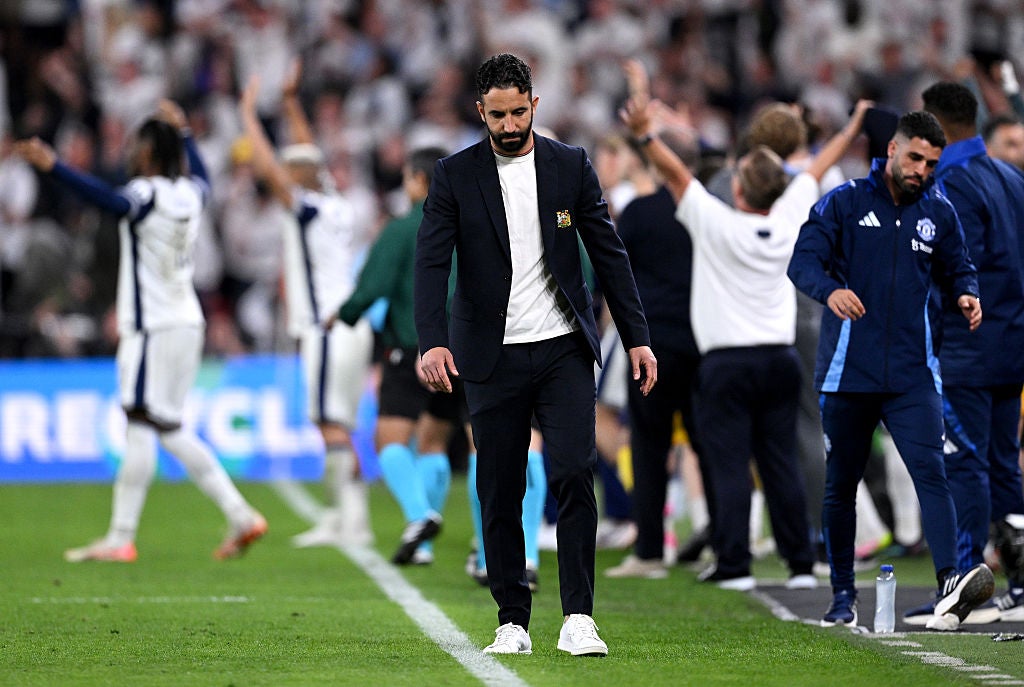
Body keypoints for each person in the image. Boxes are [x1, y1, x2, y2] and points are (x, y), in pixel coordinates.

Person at [415, 53, 657, 657]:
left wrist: (637, 336)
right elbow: (431, 263)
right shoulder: (453, 175)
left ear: (535, 105)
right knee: (500, 487)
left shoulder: (570, 166)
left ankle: (579, 617)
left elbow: (608, 253)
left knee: (575, 472)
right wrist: (432, 341)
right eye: (497, 115)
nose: (508, 125)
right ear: (481, 111)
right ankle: (512, 620)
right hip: (488, 355)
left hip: (562, 349)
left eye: (518, 112)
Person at [619, 82, 873, 594]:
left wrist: (646, 136)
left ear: (738, 190)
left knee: (730, 463)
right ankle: (800, 563)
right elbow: (818, 167)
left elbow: (677, 174)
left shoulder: (715, 222)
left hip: (727, 364)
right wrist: (851, 129)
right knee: (780, 462)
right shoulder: (789, 217)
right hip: (780, 360)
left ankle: (735, 564)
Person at [15, 101, 267, 562]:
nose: (131, 151)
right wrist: (185, 132)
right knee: (167, 426)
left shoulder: (145, 194)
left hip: (152, 326)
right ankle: (240, 514)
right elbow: (205, 178)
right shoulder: (190, 192)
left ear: (150, 153)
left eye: (138, 144)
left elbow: (107, 201)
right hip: (186, 321)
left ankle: (121, 537)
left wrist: (55, 166)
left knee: (139, 423)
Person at [787, 109, 995, 631]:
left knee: (932, 473)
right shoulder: (843, 202)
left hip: (913, 375)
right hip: (846, 373)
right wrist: (830, 291)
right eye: (916, 158)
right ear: (894, 149)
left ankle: (950, 585)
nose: (922, 170)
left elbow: (959, 267)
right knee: (841, 485)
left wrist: (967, 293)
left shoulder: (939, 212)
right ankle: (842, 595)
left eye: (932, 163)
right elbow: (801, 263)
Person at [239, 69, 374, 548]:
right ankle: (347, 516)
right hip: (353, 327)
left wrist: (248, 116)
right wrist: (292, 102)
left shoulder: (308, 208)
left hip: (327, 327)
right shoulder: (334, 200)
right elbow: (305, 152)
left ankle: (351, 521)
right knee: (338, 424)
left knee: (329, 423)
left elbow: (270, 169)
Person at [913, 81, 1024, 624]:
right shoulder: (1012, 178)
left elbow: (948, 271)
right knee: (1004, 464)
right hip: (1011, 345)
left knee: (964, 464)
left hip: (966, 349)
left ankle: (964, 589)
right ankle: (1020, 586)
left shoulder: (950, 184)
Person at [328, 146, 457, 564]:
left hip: (411, 346)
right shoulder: (466, 226)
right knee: (434, 444)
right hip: (460, 349)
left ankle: (419, 517)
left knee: (388, 440)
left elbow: (375, 285)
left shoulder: (402, 229)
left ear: (418, 180)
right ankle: (426, 545)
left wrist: (344, 314)